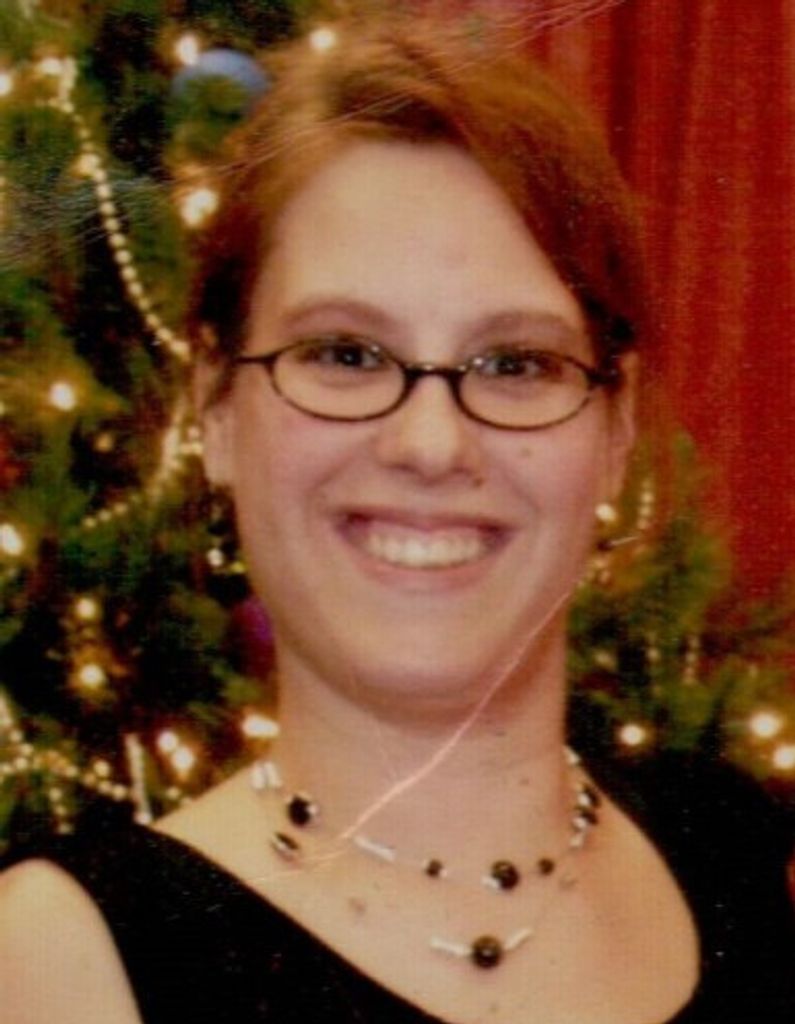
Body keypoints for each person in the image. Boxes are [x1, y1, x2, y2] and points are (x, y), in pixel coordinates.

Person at [1, 11, 793, 1024]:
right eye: (344, 353)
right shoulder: (64, 959)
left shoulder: (736, 854)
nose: (430, 443)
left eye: (515, 363)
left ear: (615, 426)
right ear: (217, 409)